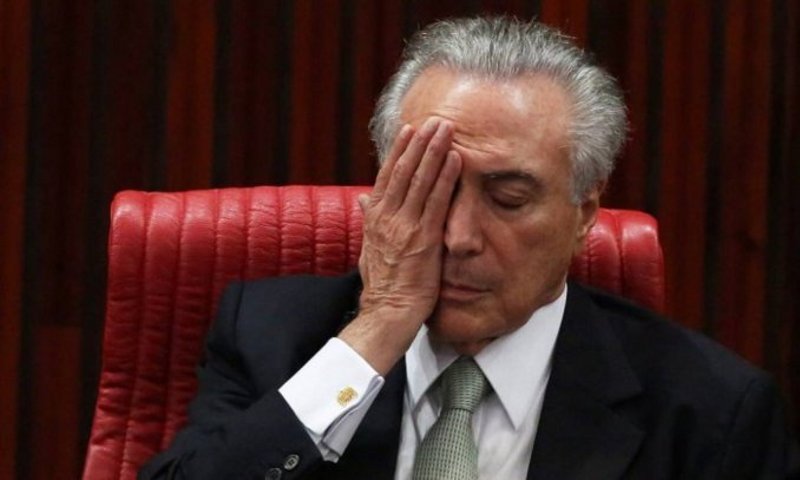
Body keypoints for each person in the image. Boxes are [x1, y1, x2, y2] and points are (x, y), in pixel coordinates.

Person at [139, 16, 799, 480]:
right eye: (430, 191)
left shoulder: (710, 411)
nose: (457, 238)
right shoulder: (271, 338)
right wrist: (376, 330)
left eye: (507, 199)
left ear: (583, 214)